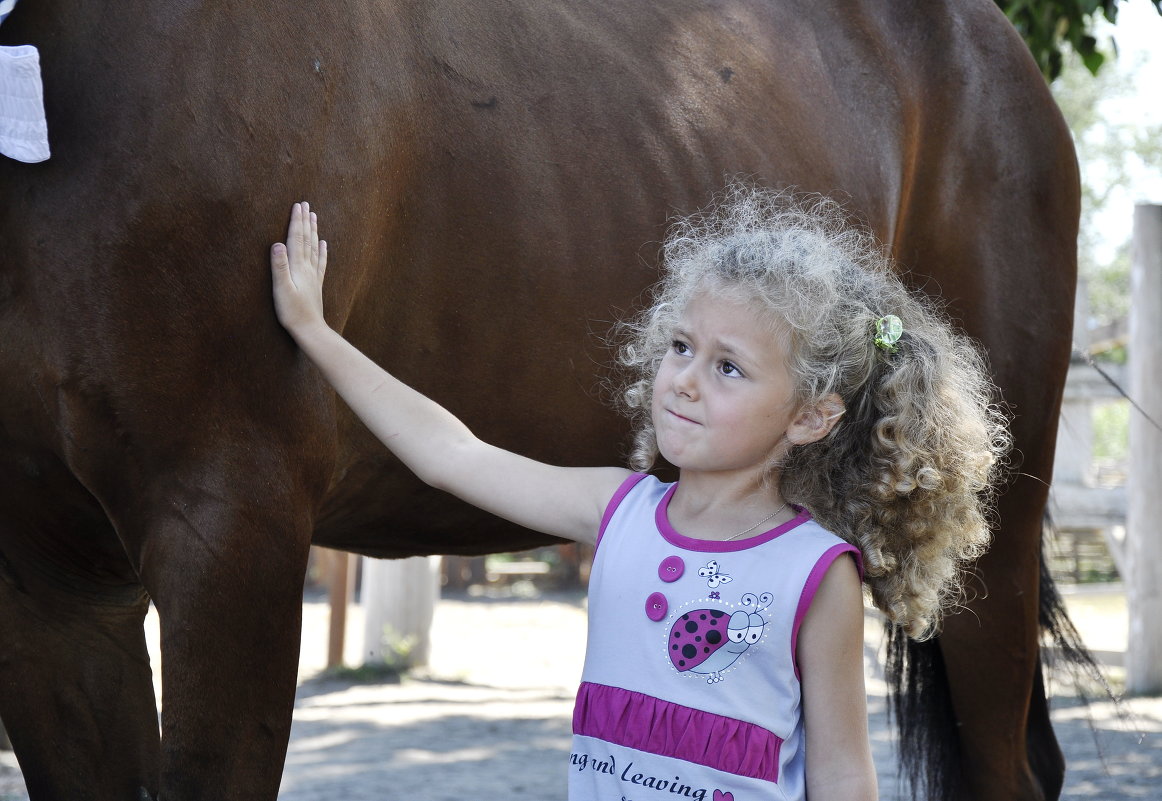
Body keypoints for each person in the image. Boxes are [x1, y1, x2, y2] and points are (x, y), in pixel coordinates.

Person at [269, 186, 1008, 801]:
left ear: (811, 416)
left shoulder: (815, 574)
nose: (683, 379)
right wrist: (315, 330)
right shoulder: (619, 511)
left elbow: (843, 773)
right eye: (681, 346)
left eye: (728, 367)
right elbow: (450, 455)